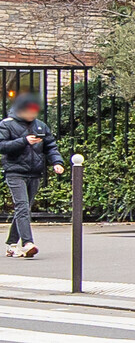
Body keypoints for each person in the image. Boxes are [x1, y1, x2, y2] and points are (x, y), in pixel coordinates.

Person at [1, 93, 61, 258]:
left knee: (24, 208)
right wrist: (24, 141)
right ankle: (27, 243)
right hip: (15, 172)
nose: (32, 115)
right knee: (22, 206)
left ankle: (11, 244)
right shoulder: (7, 125)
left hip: (34, 172)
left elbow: (50, 146)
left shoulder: (40, 126)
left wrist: (57, 162)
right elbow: (2, 146)